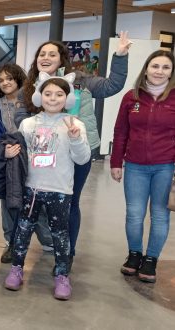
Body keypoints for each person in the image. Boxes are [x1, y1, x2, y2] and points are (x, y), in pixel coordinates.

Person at [17, 33, 132, 270]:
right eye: (42, 54)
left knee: (71, 202)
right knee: (36, 199)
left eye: (52, 54)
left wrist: (120, 56)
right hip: (44, 152)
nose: (46, 57)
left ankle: (67, 252)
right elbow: (21, 115)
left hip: (79, 149)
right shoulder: (31, 85)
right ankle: (45, 244)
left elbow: (112, 85)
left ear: (62, 59)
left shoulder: (81, 80)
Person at [4, 75, 90, 301]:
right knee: (23, 230)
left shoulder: (74, 124)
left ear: (67, 98)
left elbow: (82, 159)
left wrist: (75, 138)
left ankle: (62, 275)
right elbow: (19, 153)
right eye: (48, 93)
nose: (53, 98)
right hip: (32, 188)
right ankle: (16, 268)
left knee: (60, 235)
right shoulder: (28, 124)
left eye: (59, 94)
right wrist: (9, 153)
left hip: (60, 190)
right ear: (39, 96)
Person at [111, 50, 175, 283]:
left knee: (159, 215)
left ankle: (151, 260)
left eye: (165, 67)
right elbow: (121, 132)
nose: (159, 71)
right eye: (155, 66)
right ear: (146, 68)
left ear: (171, 72)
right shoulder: (131, 97)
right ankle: (135, 255)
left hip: (166, 167)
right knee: (135, 214)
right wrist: (116, 162)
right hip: (135, 166)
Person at [0, 63, 53, 263]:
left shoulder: (32, 101)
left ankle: (49, 240)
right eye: (1, 80)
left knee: (37, 200)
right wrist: (3, 151)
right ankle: (12, 243)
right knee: (8, 201)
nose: (5, 83)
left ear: (18, 78)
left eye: (9, 78)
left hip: (33, 158)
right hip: (9, 157)